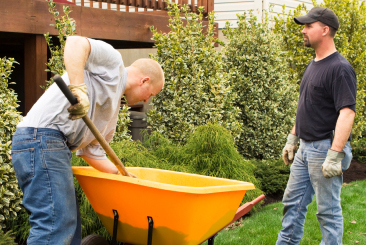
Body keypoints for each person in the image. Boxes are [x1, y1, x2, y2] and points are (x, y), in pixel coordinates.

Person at [11, 36, 164, 245]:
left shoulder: (111, 113)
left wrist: (123, 176)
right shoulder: (113, 63)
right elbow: (75, 43)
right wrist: (78, 90)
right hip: (41, 138)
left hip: (54, 145)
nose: (147, 100)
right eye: (151, 94)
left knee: (69, 227)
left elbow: (91, 153)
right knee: (55, 224)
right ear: (144, 80)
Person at [277, 7, 357, 245]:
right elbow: (305, 106)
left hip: (324, 149)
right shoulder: (314, 64)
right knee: (292, 204)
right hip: (305, 149)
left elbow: (347, 112)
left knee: (328, 213)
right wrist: (293, 138)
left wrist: (335, 154)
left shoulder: (340, 68)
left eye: (308, 26)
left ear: (324, 29)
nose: (304, 30)